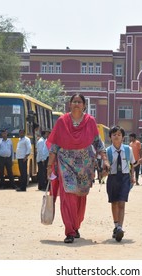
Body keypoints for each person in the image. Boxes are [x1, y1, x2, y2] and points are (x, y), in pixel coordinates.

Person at [46, 93, 109, 244]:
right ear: (69, 104)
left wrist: (105, 159)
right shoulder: (62, 121)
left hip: (85, 166)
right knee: (68, 195)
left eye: (79, 102)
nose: (76, 104)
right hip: (65, 163)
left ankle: (76, 225)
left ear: (84, 105)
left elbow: (98, 142)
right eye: (74, 101)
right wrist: (49, 165)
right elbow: (55, 145)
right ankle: (69, 231)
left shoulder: (90, 121)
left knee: (80, 196)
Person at [104, 126, 135, 242]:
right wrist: (104, 171)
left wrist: (132, 176)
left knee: (122, 202)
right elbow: (103, 169)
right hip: (112, 178)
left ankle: (120, 228)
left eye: (119, 134)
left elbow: (132, 164)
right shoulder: (107, 151)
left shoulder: (128, 149)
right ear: (110, 137)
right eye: (114, 134)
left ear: (123, 137)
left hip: (124, 178)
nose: (116, 136)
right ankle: (116, 225)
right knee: (114, 203)